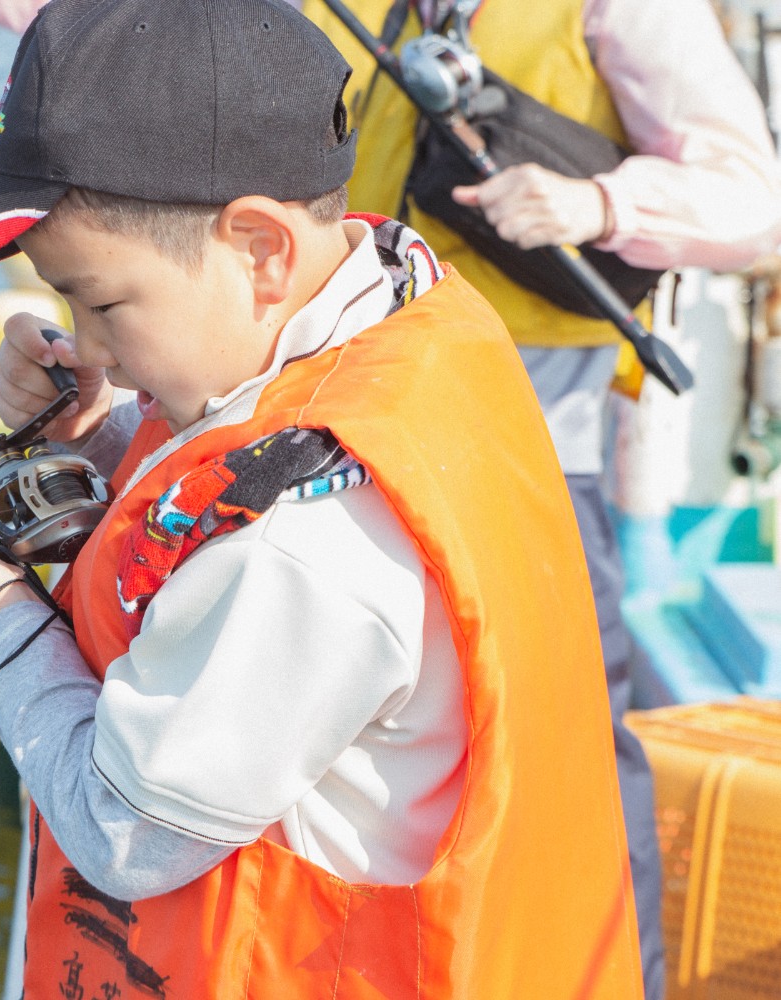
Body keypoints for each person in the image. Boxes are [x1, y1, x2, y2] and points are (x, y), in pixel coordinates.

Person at [0, 0, 643, 995]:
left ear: (261, 249)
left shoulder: (307, 543)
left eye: (99, 303)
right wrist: (98, 432)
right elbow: (247, 446)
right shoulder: (398, 300)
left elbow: (128, 829)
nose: (81, 344)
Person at [294, 2, 781, 995]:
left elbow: (753, 198)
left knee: (572, 761)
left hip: (532, 457)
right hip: (327, 445)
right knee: (342, 760)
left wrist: (596, 207)